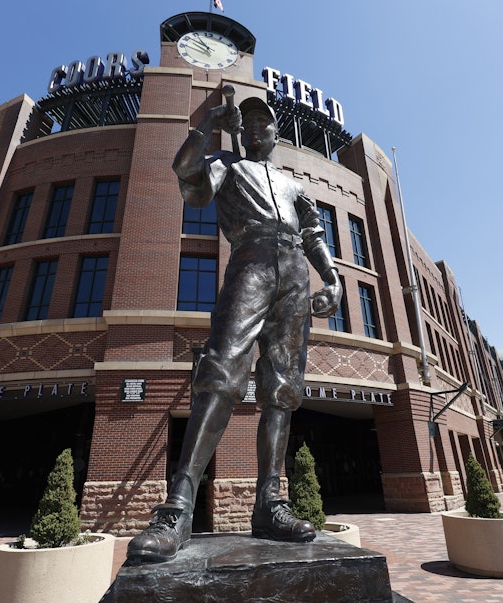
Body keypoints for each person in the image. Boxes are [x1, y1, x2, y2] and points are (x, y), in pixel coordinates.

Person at [126, 94, 343, 562]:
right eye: (247, 123)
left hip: (294, 274)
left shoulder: (291, 183)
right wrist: (205, 125)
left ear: (276, 133)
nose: (255, 129)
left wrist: (333, 277)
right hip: (251, 262)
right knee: (221, 371)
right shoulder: (226, 164)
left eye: (263, 122)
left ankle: (270, 504)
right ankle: (180, 506)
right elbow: (188, 179)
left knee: (283, 388)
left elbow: (311, 234)